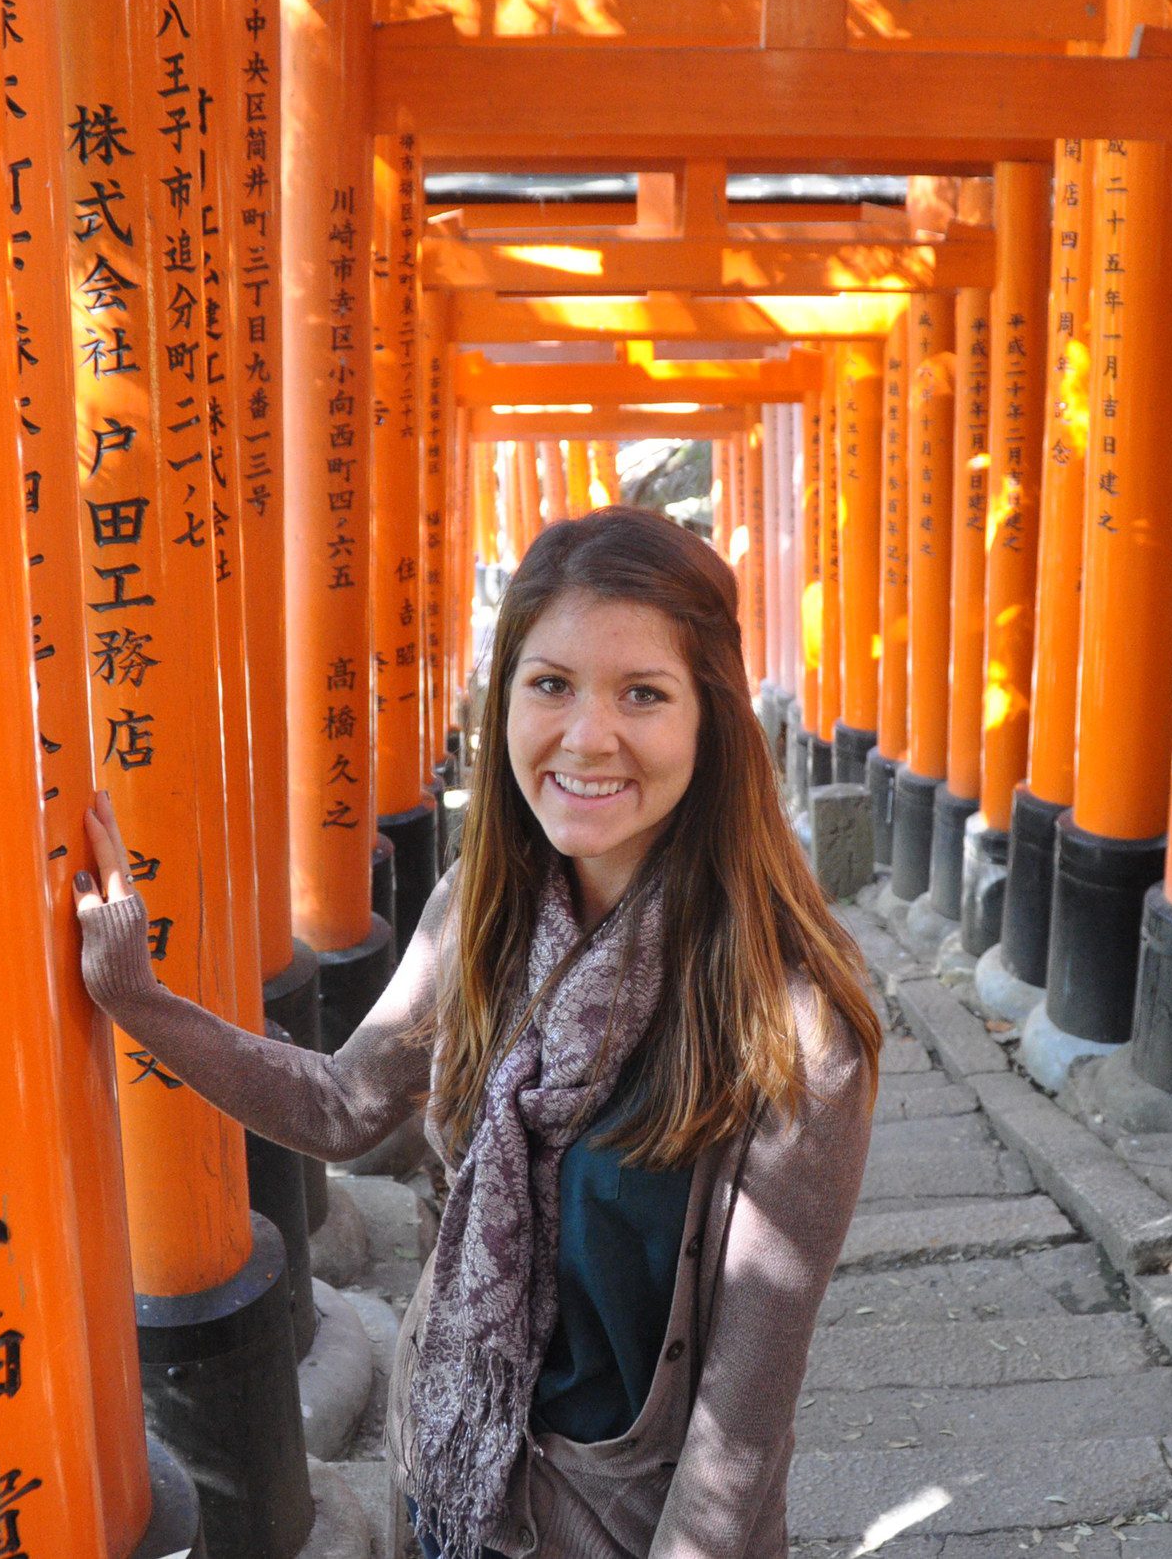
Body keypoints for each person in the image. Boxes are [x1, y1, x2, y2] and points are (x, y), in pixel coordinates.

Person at [74, 504, 880, 1557]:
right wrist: (140, 999)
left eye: (642, 693)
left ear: (709, 720)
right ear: (504, 699)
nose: (587, 737)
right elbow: (343, 1104)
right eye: (550, 685)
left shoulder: (790, 1026)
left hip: (623, 1525)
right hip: (452, 1480)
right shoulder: (484, 911)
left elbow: (740, 1430)